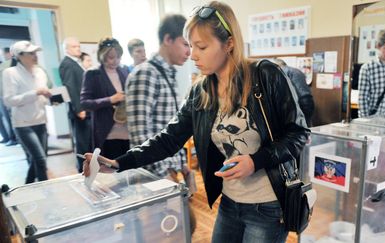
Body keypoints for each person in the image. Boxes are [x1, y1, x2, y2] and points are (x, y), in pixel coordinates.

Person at [83, 2, 309, 242]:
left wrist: (256, 161)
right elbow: (169, 138)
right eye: (191, 46)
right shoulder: (201, 90)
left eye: (201, 46)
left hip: (268, 207)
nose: (193, 54)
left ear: (229, 43)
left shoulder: (266, 75)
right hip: (230, 203)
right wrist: (119, 163)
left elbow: (299, 133)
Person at [125, 15, 189, 178]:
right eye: (185, 44)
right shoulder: (146, 73)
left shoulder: (168, 73)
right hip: (156, 176)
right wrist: (162, 173)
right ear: (168, 39)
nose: (189, 52)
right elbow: (138, 135)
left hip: (170, 170)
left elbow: (171, 126)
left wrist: (181, 164)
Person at [2, 41, 51, 183]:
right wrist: (35, 93)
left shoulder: (40, 72)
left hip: (41, 120)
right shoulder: (10, 73)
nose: (35, 56)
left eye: (35, 52)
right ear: (19, 56)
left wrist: (50, 99)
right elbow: (9, 100)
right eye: (31, 53)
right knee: (40, 159)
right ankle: (46, 191)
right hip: (23, 124)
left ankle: (27, 185)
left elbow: (42, 97)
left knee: (36, 159)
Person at [80, 37, 130, 159]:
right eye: (111, 57)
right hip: (107, 132)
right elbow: (84, 103)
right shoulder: (92, 73)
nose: (115, 61)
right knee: (111, 171)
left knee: (127, 170)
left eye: (118, 57)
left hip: (127, 129)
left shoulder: (124, 70)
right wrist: (110, 100)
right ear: (102, 56)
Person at [59, 37, 92, 172]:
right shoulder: (67, 63)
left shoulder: (75, 63)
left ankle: (89, 168)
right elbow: (71, 87)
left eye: (78, 46)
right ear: (66, 49)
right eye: (74, 47)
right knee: (82, 143)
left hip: (85, 108)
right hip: (80, 111)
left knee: (87, 141)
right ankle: (82, 170)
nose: (78, 49)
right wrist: (79, 109)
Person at [274, 58, 314, 126]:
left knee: (297, 127)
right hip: (309, 100)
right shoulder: (297, 70)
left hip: (299, 102)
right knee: (307, 125)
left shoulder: (281, 71)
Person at [0, 47, 18, 146]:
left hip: (5, 95)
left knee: (9, 117)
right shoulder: (5, 65)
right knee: (8, 117)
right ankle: (11, 137)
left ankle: (13, 138)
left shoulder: (8, 65)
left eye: (3, 54)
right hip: (3, 95)